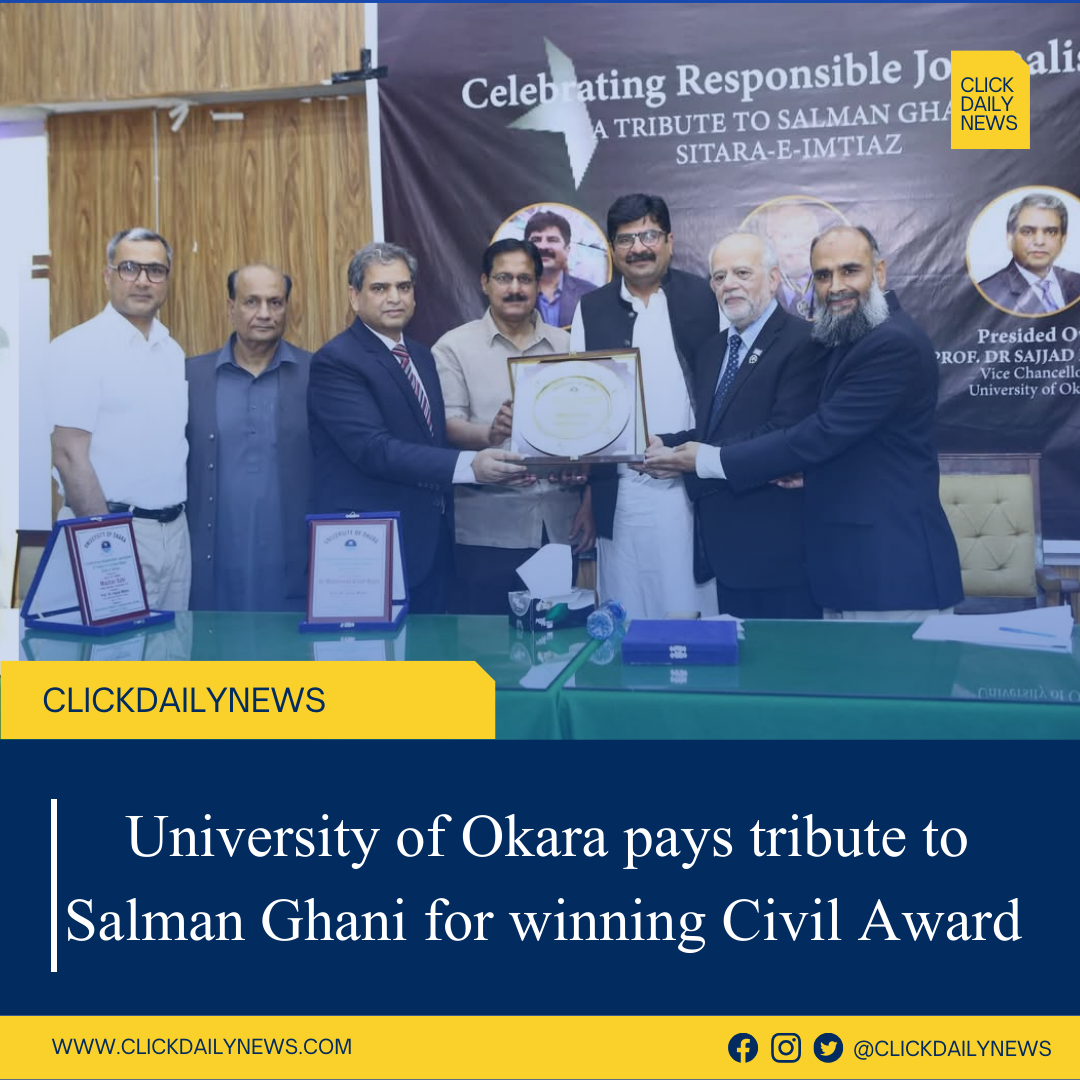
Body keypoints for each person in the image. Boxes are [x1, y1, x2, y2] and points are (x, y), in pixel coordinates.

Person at [646, 225, 963, 620]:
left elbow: (820, 433)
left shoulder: (892, 342)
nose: (836, 286)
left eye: (850, 270)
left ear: (879, 273)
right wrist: (809, 474)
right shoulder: (851, 337)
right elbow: (850, 443)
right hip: (849, 568)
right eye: (823, 275)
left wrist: (708, 460)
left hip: (893, 571)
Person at [308, 241, 527, 614]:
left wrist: (493, 466)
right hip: (369, 550)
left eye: (404, 287)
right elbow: (373, 449)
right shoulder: (337, 361)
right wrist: (470, 466)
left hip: (431, 546)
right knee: (377, 652)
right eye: (380, 288)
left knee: (430, 650)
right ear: (354, 297)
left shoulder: (421, 357)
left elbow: (431, 441)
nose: (394, 298)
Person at [658, 231, 823, 618]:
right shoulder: (712, 349)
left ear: (774, 278)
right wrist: (663, 443)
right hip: (725, 550)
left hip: (781, 551)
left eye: (742, 273)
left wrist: (699, 458)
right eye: (719, 277)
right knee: (737, 657)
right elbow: (713, 432)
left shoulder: (804, 341)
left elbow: (785, 434)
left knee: (785, 656)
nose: (728, 284)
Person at [570, 193, 720, 618]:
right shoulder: (591, 309)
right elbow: (582, 402)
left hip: (690, 486)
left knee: (688, 609)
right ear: (613, 249)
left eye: (649, 235)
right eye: (625, 239)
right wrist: (587, 495)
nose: (638, 248)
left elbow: (726, 392)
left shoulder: (705, 298)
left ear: (669, 241)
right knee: (627, 610)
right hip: (620, 491)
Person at [432, 238, 594, 613]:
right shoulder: (453, 347)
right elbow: (449, 425)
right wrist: (490, 434)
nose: (515, 288)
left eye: (525, 278)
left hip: (558, 525)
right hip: (488, 529)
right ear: (484, 282)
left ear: (538, 284)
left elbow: (591, 432)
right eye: (504, 278)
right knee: (486, 641)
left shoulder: (569, 346)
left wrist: (588, 500)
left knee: (553, 638)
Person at [48, 227, 190, 610]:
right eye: (129, 268)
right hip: (108, 530)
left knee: (172, 643)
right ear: (107, 276)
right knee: (115, 646)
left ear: (167, 279)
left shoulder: (172, 352)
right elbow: (69, 456)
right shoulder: (77, 348)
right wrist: (108, 546)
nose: (142, 280)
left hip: (175, 536)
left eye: (155, 270)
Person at [186, 263, 312, 611]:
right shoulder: (191, 377)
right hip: (212, 561)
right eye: (251, 302)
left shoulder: (316, 374)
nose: (265, 314)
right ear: (231, 308)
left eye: (275, 302)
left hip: (292, 564)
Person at [978, 193, 1080, 315]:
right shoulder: (986, 294)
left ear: (1063, 240)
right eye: (1028, 232)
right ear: (1010, 239)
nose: (1039, 242)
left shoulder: (1076, 281)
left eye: (1051, 232)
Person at [524, 210, 597, 327]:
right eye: (536, 240)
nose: (543, 246)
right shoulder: (510, 293)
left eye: (552, 240)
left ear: (567, 250)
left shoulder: (591, 294)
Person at [754, 202, 823, 319]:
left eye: (804, 236)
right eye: (785, 236)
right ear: (771, 241)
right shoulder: (759, 288)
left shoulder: (832, 283)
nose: (795, 244)